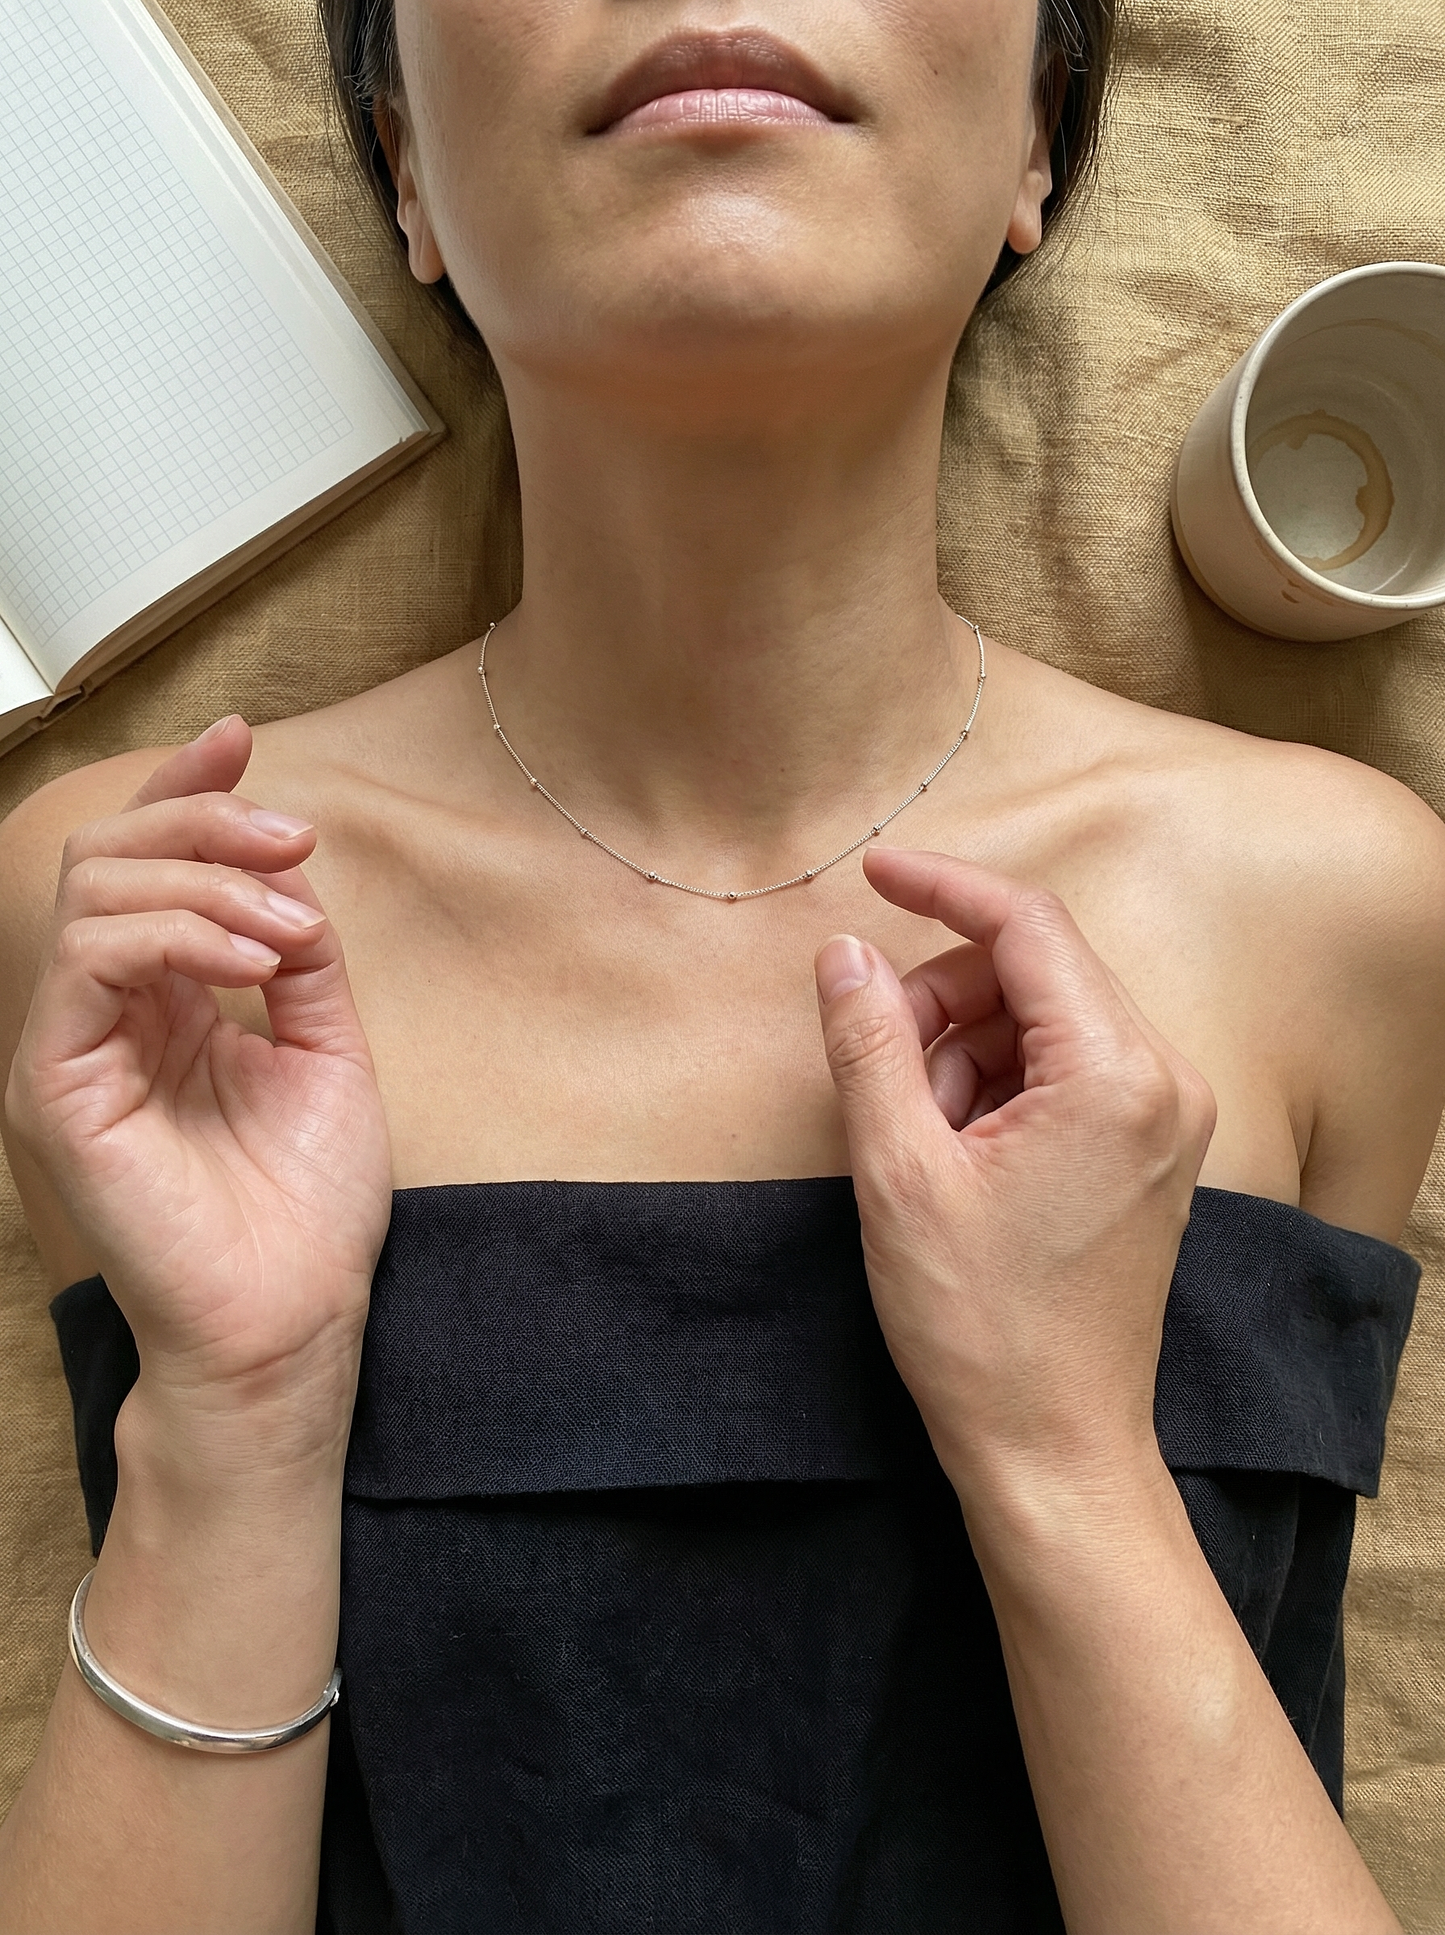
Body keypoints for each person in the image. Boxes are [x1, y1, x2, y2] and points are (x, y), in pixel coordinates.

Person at [0, 0, 1442, 1927]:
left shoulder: (1331, 902)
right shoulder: (161, 927)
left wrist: (1058, 1450)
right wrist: (234, 1418)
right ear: (410, 173)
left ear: (1036, 148)